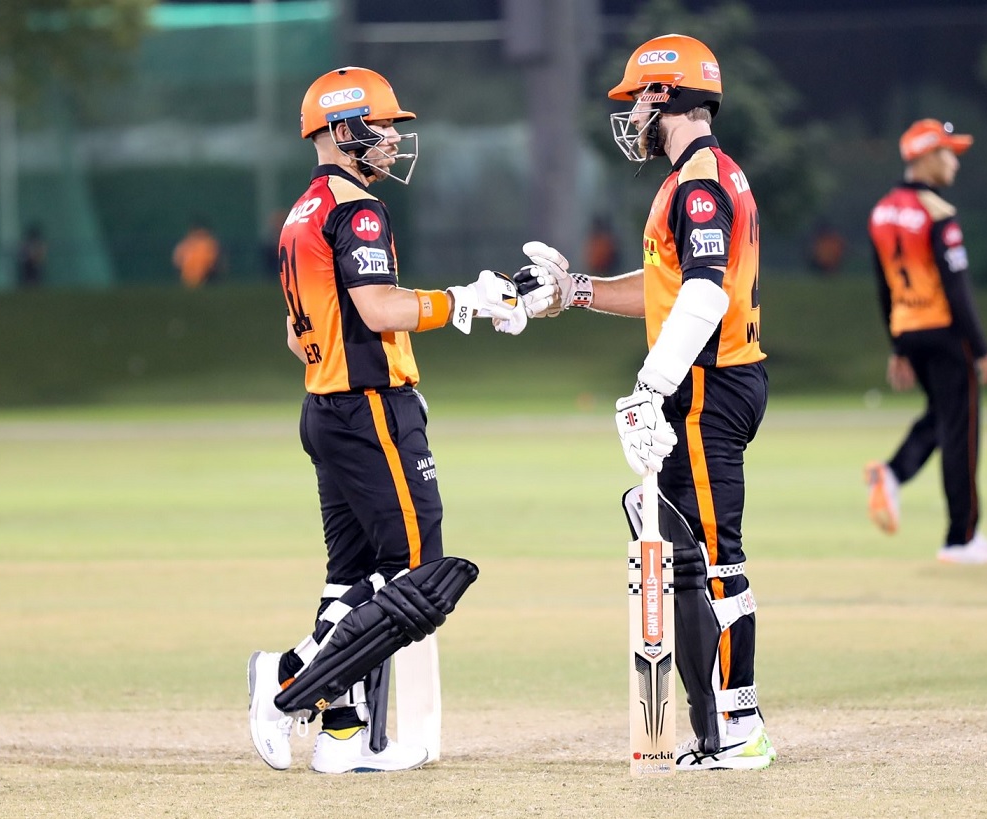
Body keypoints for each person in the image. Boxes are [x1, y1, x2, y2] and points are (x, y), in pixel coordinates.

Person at [246, 66, 527, 775]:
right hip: (368, 408)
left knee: (353, 577)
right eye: (383, 128)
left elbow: (295, 332)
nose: (395, 142)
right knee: (416, 577)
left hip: (326, 405)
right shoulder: (357, 211)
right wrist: (461, 301)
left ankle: (344, 736)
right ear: (344, 130)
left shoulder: (302, 211)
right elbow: (378, 309)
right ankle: (286, 681)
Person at [516, 34, 774, 772]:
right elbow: (670, 289)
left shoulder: (697, 183)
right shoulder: (706, 174)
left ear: (664, 95)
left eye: (635, 99)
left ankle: (738, 725)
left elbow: (703, 291)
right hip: (716, 377)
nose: (630, 114)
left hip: (707, 384)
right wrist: (579, 292)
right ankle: (716, 725)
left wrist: (651, 386)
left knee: (718, 561)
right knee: (692, 556)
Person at [864, 120, 987, 565]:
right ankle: (960, 538)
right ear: (925, 157)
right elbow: (957, 288)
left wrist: (898, 347)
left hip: (910, 328)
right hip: (946, 332)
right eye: (948, 153)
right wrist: (983, 349)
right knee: (961, 432)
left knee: (944, 417)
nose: (954, 162)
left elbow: (883, 287)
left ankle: (892, 472)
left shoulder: (882, 211)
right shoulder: (938, 213)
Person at [173, 218, 221, 288]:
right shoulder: (208, 243)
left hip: (193, 278)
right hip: (197, 277)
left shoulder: (185, 243)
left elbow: (177, 261)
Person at [15, 222, 47, 289]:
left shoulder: (38, 243)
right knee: (28, 280)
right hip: (28, 264)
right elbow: (22, 253)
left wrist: (37, 259)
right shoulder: (27, 243)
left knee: (35, 279)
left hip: (35, 263)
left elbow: (41, 254)